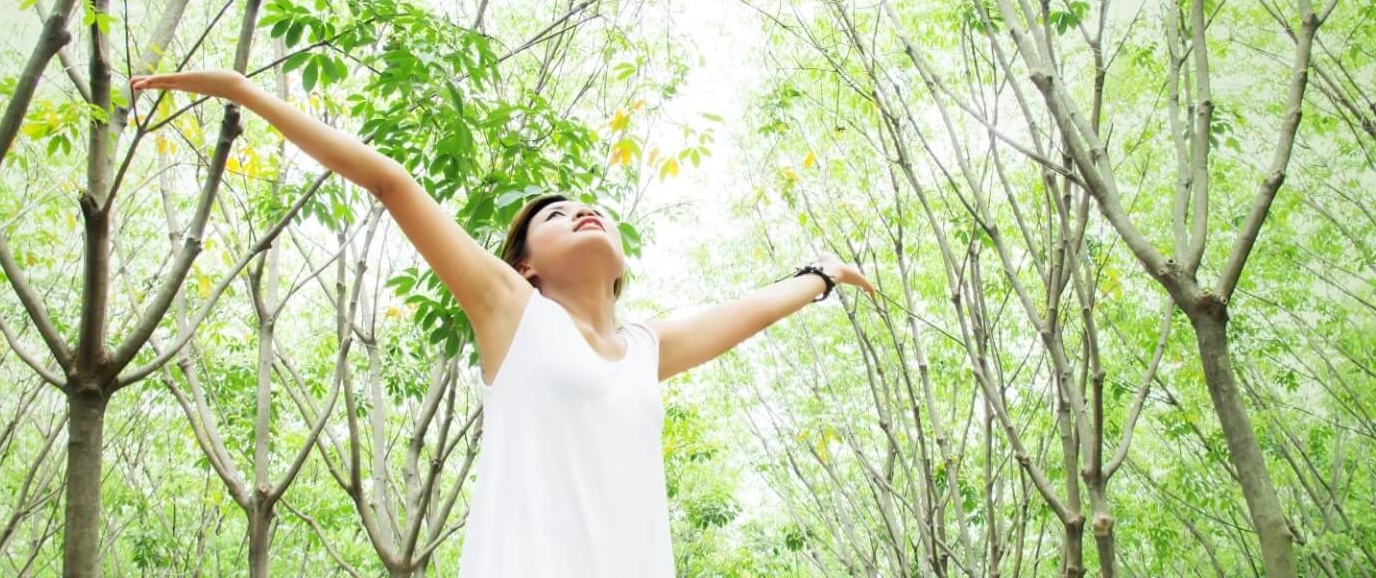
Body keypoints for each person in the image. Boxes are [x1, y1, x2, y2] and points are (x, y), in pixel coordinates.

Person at [129, 69, 876, 577]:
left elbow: (742, 314)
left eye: (591, 208)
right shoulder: (512, 313)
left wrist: (820, 277)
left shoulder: (644, 348)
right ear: (525, 265)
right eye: (554, 215)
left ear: (619, 261)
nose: (580, 210)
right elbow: (391, 182)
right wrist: (235, 89)